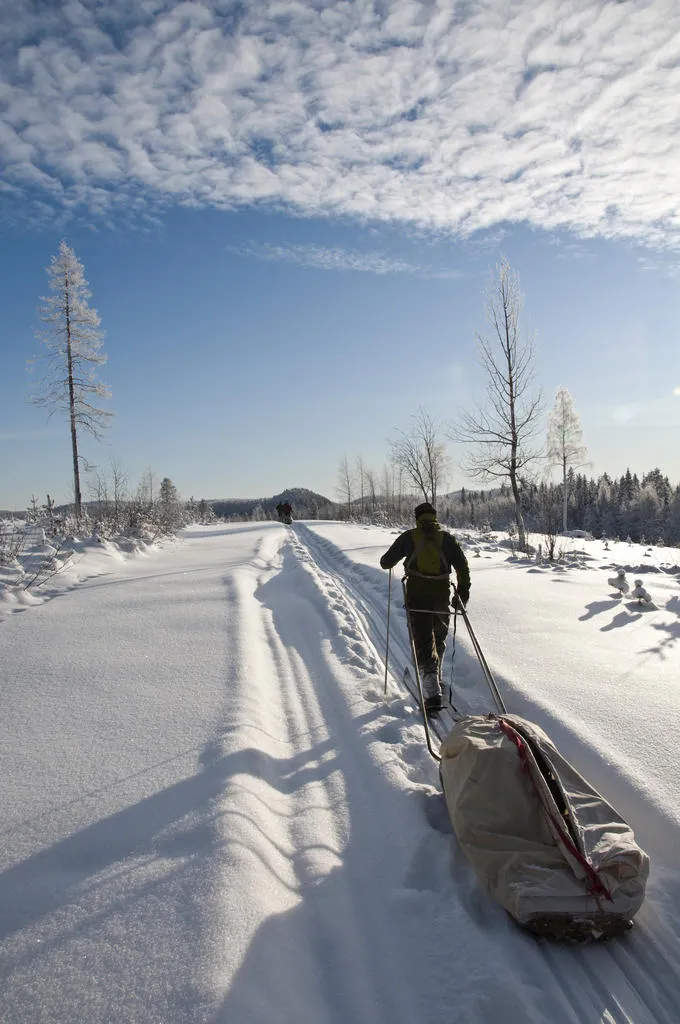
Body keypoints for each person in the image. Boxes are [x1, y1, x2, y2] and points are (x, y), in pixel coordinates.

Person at [380, 502, 470, 710]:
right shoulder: (447, 539)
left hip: (416, 595)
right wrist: (462, 593)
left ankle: (430, 687)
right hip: (441, 597)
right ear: (434, 517)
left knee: (422, 638)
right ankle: (435, 676)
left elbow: (386, 562)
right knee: (438, 636)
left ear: (417, 518)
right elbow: (463, 567)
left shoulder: (409, 537)